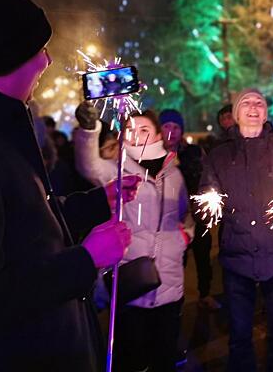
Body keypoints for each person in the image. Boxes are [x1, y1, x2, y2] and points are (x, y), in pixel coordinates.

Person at [0, 0, 137, 370]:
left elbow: (26, 230)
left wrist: (95, 203)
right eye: (40, 49)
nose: (47, 61)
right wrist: (86, 260)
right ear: (5, 54)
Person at [74, 105, 190, 372]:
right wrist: (90, 130)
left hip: (170, 281)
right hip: (131, 282)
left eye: (144, 129)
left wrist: (184, 237)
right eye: (130, 130)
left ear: (158, 135)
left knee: (164, 356)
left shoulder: (174, 173)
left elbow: (184, 214)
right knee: (132, 358)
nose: (137, 134)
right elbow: (87, 164)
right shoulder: (116, 170)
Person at [198, 88, 273, 372]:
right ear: (235, 114)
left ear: (266, 113)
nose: (254, 108)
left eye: (260, 103)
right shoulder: (218, 156)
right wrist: (209, 200)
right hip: (237, 258)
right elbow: (205, 196)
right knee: (239, 335)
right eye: (246, 103)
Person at [159, 108, 222, 311]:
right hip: (169, 221)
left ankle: (205, 294)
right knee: (175, 261)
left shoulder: (193, 152)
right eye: (167, 126)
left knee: (203, 257)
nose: (172, 131)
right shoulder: (153, 156)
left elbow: (208, 176)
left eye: (176, 127)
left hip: (197, 216)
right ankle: (173, 300)